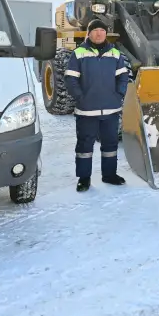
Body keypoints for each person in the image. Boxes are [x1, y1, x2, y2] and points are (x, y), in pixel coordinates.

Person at [65, 20, 130, 192]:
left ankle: (109, 175)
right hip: (86, 110)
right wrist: (81, 97)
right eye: (95, 30)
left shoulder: (115, 54)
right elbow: (71, 79)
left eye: (102, 30)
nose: (99, 33)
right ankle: (84, 178)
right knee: (85, 146)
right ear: (89, 33)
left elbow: (123, 77)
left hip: (111, 109)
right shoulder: (78, 54)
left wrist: (119, 94)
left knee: (110, 144)